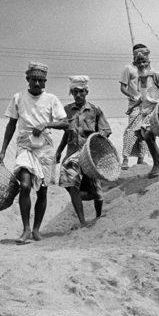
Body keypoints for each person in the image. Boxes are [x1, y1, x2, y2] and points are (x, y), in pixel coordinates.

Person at [0, 62, 68, 245]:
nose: (37, 83)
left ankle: (36, 230)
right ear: (27, 80)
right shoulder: (18, 98)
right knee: (25, 185)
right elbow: (11, 124)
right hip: (25, 145)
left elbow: (65, 123)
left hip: (45, 146)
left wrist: (46, 125)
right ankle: (26, 229)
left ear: (45, 82)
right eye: (34, 80)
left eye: (40, 80)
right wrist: (3, 150)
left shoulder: (52, 99)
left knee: (42, 190)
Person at [54, 76, 112, 227]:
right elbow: (66, 132)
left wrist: (100, 137)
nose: (78, 95)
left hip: (89, 156)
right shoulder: (67, 110)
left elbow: (106, 130)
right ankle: (82, 221)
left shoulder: (95, 110)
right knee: (70, 183)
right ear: (71, 93)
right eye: (74, 92)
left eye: (81, 91)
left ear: (86, 92)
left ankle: (98, 217)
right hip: (72, 153)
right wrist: (59, 151)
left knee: (98, 194)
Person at [119, 43, 153, 169]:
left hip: (147, 104)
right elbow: (123, 87)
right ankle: (125, 159)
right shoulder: (128, 68)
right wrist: (132, 96)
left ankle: (141, 158)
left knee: (145, 131)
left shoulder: (147, 69)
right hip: (134, 105)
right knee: (131, 130)